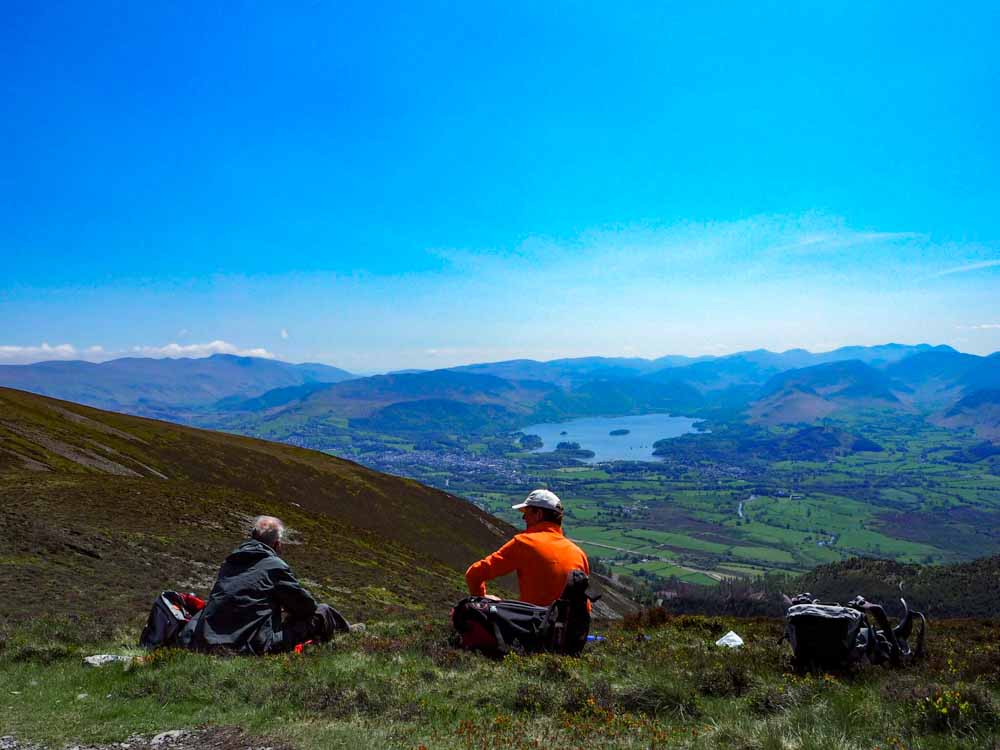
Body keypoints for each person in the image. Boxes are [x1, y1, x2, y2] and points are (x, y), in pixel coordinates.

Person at [179, 515, 351, 654]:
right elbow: (306, 607)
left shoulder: (230, 561)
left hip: (210, 641)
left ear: (253, 537)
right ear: (277, 544)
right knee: (323, 611)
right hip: (251, 646)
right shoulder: (275, 566)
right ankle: (349, 635)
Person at [465, 489, 590, 607]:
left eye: (526, 512)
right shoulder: (578, 553)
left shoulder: (524, 543)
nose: (523, 518)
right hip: (574, 628)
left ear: (538, 514)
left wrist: (480, 598)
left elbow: (474, 574)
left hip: (536, 626)